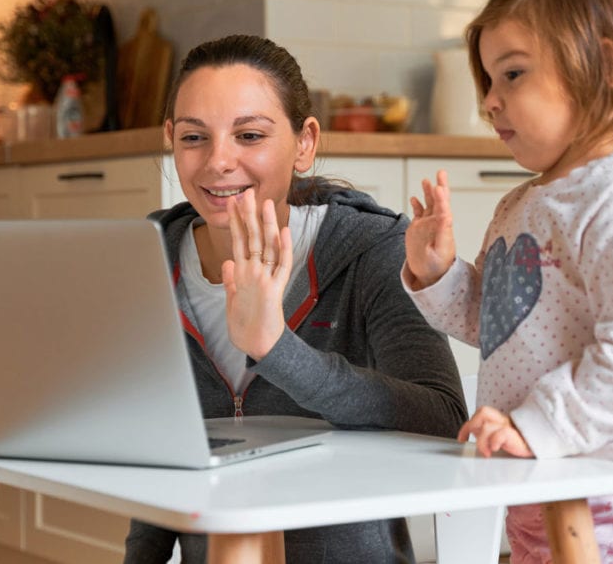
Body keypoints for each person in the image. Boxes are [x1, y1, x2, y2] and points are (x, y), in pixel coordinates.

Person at [123, 34, 467, 564]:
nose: (218, 161)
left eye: (249, 134)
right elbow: (156, 447)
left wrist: (277, 349)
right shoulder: (147, 258)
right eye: (195, 137)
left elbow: (443, 418)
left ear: (304, 142)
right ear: (171, 139)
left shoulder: (373, 250)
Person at [402, 0, 613, 562]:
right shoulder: (523, 203)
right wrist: (439, 274)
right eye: (488, 83)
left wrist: (537, 425)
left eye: (513, 74)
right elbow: (497, 326)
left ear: (605, 65)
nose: (490, 103)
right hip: (541, 490)